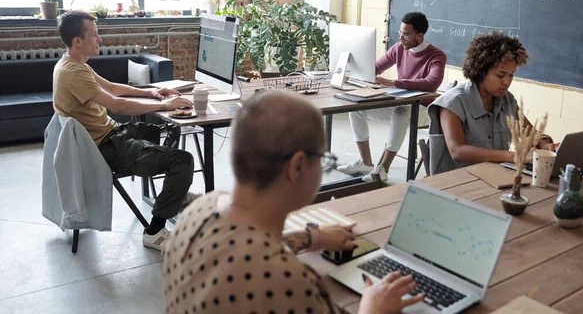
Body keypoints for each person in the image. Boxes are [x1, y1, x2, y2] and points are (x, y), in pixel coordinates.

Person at [163, 90, 424, 313]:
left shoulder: (199, 210)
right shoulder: (288, 282)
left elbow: (245, 245)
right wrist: (373, 308)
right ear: (297, 166)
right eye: (323, 159)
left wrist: (310, 238)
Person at [53, 10, 197, 251]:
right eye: (95, 35)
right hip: (105, 149)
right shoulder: (73, 72)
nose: (100, 40)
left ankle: (173, 195)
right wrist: (165, 105)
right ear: (78, 41)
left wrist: (151, 92)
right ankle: (154, 231)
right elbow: (116, 104)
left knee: (161, 131)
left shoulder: (74, 63)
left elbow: (112, 88)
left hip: (111, 134)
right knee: (182, 161)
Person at [337, 12, 447, 182]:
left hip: (424, 109)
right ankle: (366, 162)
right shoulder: (398, 48)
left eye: (406, 34)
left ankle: (382, 169)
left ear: (419, 36)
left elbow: (431, 83)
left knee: (401, 113)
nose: (401, 38)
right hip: (401, 103)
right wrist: (353, 70)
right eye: (400, 32)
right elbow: (375, 68)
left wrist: (395, 82)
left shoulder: (437, 56)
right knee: (356, 106)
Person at [427, 31, 555, 175]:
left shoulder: (507, 100)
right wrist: (516, 156)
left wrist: (544, 144)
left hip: (494, 176)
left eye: (511, 75)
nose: (507, 81)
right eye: (500, 75)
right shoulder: (453, 102)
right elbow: (458, 151)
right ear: (480, 71)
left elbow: (530, 135)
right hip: (456, 183)